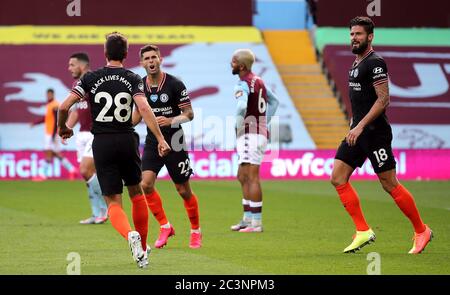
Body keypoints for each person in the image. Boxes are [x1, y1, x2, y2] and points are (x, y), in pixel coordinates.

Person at [57, 32, 171, 268]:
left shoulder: (91, 78)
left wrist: (62, 128)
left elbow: (64, 105)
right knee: (137, 193)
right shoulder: (133, 78)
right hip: (127, 139)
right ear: (127, 55)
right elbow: (144, 108)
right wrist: (160, 138)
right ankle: (142, 247)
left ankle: (130, 235)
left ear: (105, 54)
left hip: (103, 142)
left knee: (113, 201)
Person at [330, 16, 433, 254]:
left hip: (375, 134)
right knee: (338, 176)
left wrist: (361, 126)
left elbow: (383, 99)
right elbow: (359, 102)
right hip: (358, 131)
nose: (354, 38)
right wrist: (353, 125)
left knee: (389, 183)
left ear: (370, 37)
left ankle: (421, 230)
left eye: (358, 34)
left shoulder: (375, 62)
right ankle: (363, 230)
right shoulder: (356, 64)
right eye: (351, 34)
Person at [132, 44, 202, 249]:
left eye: (154, 57)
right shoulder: (140, 87)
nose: (151, 61)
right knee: (145, 184)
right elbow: (137, 116)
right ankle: (165, 226)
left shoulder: (175, 84)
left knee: (183, 189)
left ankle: (196, 230)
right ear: (141, 63)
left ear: (161, 60)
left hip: (175, 141)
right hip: (153, 141)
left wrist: (170, 120)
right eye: (147, 58)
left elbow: (189, 114)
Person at [229, 49, 279, 233]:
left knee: (251, 177)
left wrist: (238, 125)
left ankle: (256, 224)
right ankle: (247, 219)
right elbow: (275, 102)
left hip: (250, 134)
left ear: (241, 66)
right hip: (256, 133)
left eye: (233, 61)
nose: (231, 64)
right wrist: (264, 122)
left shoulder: (242, 84)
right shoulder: (259, 81)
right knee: (242, 176)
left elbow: (242, 106)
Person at [66, 52, 108, 225]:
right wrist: (66, 128)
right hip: (82, 134)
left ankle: (107, 208)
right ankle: (96, 213)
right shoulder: (77, 84)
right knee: (88, 175)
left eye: (72, 65)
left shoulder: (94, 81)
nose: (69, 68)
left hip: (95, 133)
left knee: (85, 170)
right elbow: (76, 110)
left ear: (82, 65)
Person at [30, 88, 77, 180]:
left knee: (48, 152)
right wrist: (35, 123)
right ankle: (72, 169)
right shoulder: (49, 105)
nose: (48, 96)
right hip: (49, 132)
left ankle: (43, 175)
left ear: (53, 95)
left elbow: (57, 120)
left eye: (50, 94)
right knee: (54, 153)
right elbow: (46, 118)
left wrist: (53, 134)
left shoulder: (55, 105)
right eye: (47, 95)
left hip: (52, 133)